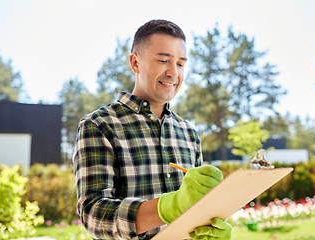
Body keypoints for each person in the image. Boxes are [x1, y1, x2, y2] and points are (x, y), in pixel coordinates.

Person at [73, 19, 232, 240]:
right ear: (135, 63)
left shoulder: (189, 134)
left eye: (180, 64)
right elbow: (93, 215)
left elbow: (195, 209)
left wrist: (209, 224)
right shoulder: (99, 125)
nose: (173, 73)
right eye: (163, 60)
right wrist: (166, 208)